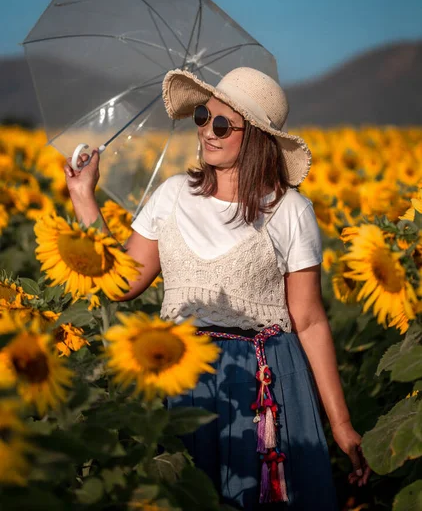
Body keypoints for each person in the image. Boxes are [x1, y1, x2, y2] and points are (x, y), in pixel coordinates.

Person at [64, 67, 370, 510]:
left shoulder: (290, 211)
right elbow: (122, 282)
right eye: (203, 116)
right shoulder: (172, 196)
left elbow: (308, 319)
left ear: (257, 137)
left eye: (223, 124)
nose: (208, 130)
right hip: (184, 373)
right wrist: (83, 197)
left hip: (265, 383)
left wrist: (340, 424)